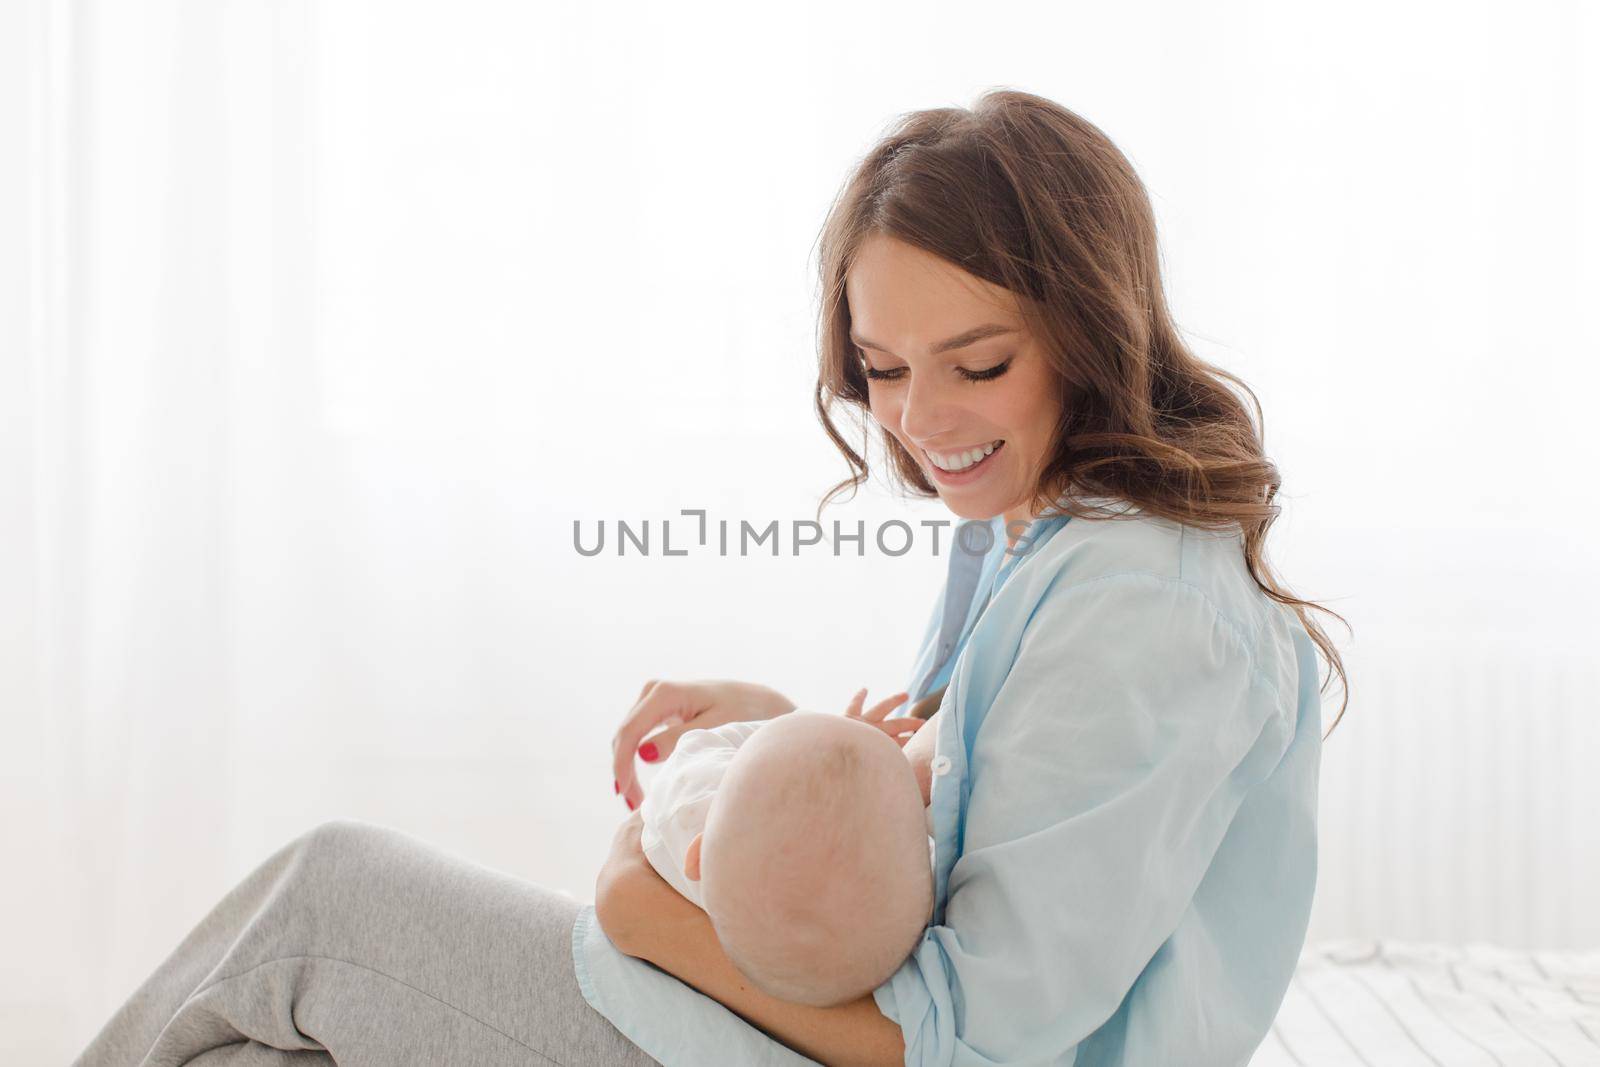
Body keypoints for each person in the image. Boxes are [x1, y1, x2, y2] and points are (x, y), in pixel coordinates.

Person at [72, 88, 1347, 1067]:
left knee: (323, 901)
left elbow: (964, 1034)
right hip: (800, 1024)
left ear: (1087, 325)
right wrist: (777, 733)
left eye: (977, 360)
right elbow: (954, 815)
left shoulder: (1136, 598)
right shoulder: (1035, 525)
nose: (921, 417)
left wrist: (641, 901)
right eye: (882, 366)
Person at [637, 704, 934, 1008]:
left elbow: (699, 746)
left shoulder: (691, 800)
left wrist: (821, 728)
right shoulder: (892, 893)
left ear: (697, 856)